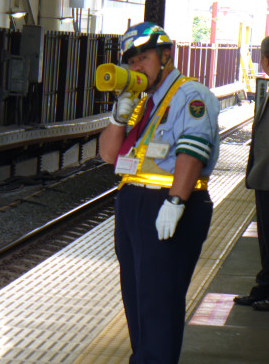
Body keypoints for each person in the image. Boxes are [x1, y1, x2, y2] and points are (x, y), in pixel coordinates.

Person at [99, 22, 220, 363]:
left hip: (167, 204)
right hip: (133, 203)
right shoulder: (142, 103)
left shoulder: (189, 95)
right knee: (137, 302)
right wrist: (118, 115)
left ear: (166, 55)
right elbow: (109, 155)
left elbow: (192, 151)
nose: (136, 66)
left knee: (158, 304)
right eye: (131, 60)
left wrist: (176, 202)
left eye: (144, 57)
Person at [234, 36, 269, 311]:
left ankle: (266, 291)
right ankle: (263, 288)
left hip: (268, 178)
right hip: (263, 177)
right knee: (266, 238)